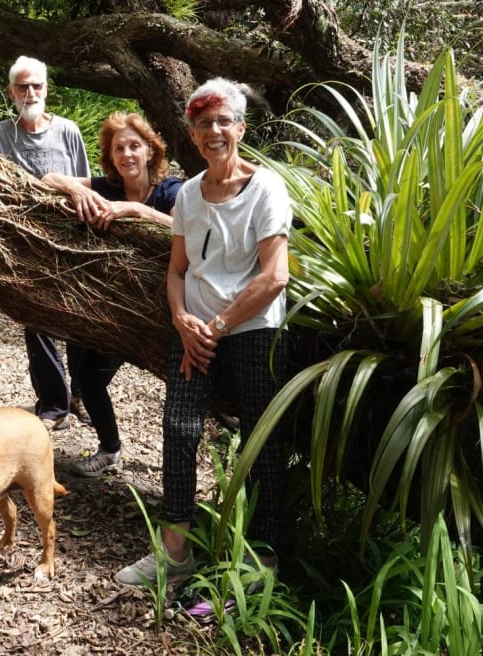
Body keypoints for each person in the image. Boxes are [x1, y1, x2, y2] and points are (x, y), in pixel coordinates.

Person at [114, 78, 292, 586]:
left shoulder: (267, 189)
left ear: (239, 127)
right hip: (193, 329)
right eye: (202, 123)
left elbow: (274, 276)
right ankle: (175, 554)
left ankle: (264, 557)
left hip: (254, 329)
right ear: (191, 134)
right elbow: (177, 270)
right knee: (179, 428)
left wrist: (214, 327)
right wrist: (180, 319)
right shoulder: (189, 194)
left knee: (262, 438)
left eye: (222, 121)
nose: (213, 131)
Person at [42, 111, 183, 476]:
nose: (127, 155)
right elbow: (48, 178)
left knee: (94, 380)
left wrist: (136, 210)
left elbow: (190, 228)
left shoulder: (171, 191)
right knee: (85, 376)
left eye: (135, 146)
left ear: (150, 151)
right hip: (110, 306)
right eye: (119, 148)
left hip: (159, 310)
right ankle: (110, 450)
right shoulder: (107, 188)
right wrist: (75, 188)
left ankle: (122, 454)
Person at [0, 55, 92, 432]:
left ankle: (82, 395)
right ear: (11, 91)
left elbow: (85, 184)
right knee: (36, 325)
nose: (30, 92)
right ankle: (54, 404)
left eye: (36, 85)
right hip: (24, 248)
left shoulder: (68, 131)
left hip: (70, 242)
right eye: (22, 86)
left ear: (46, 88)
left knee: (81, 322)